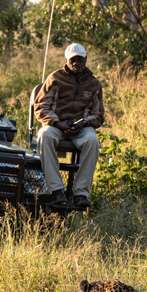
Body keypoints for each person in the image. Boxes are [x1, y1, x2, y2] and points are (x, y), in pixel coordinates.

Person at [35, 43, 105, 208]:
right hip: (56, 125)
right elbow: (40, 107)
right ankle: (57, 190)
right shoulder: (55, 78)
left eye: (80, 59)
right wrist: (58, 123)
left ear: (86, 60)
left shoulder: (94, 84)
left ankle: (81, 193)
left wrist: (84, 123)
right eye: (73, 60)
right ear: (66, 60)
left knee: (92, 141)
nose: (77, 63)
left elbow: (99, 116)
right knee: (44, 136)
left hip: (81, 127)